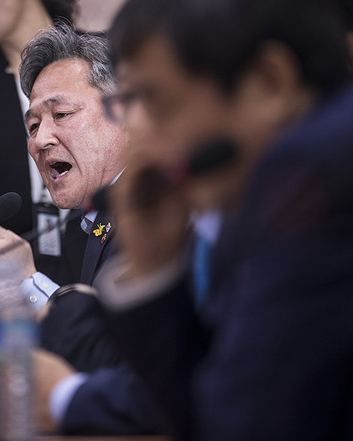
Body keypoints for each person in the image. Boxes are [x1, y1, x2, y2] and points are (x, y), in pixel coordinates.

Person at [34, 0, 353, 439]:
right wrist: (155, 268)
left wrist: (63, 397)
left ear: (269, 83)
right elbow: (215, 388)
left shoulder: (310, 180)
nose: (136, 129)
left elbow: (242, 420)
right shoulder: (247, 203)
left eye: (155, 101)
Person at [0, 23, 129, 372]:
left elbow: (122, 355)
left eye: (61, 114)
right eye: (33, 126)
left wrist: (26, 280)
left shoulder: (159, 212)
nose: (40, 141)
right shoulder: (98, 219)